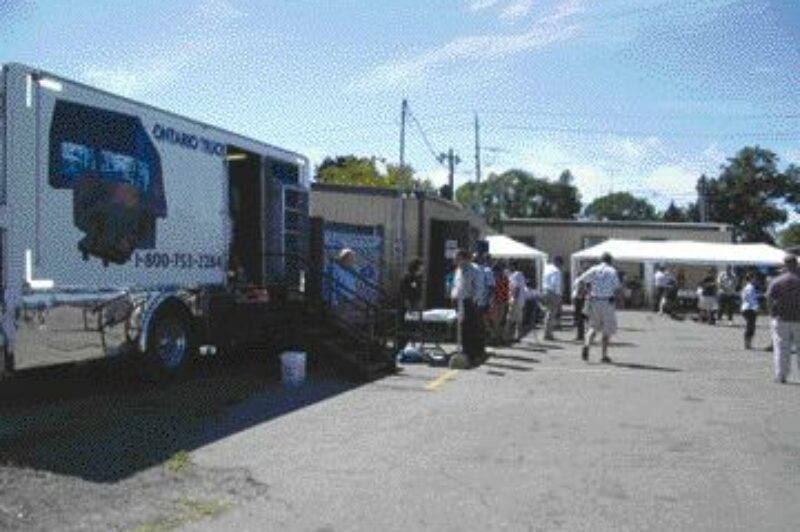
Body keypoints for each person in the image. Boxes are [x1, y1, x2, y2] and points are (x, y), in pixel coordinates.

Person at [575, 252, 621, 363]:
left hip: (594, 301)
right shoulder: (612, 271)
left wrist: (582, 293)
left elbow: (579, 280)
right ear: (610, 261)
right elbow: (617, 287)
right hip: (607, 302)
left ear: (601, 260)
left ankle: (586, 345)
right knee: (606, 330)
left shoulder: (594, 269)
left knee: (593, 327)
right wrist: (618, 299)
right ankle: (604, 355)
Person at [766, 254, 800, 384]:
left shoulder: (777, 281)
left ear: (785, 265)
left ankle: (781, 375)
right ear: (797, 264)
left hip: (781, 318)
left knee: (781, 348)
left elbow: (768, 297)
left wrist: (771, 314)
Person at [451, 249, 485, 366]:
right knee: (461, 327)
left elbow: (479, 287)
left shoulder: (474, 269)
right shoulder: (458, 270)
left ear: (464, 258)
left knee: (470, 328)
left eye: (457, 257)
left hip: (468, 302)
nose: (454, 260)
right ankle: (465, 351)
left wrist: (475, 301)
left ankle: (472, 354)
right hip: (458, 301)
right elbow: (457, 285)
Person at [398, 258, 424, 349]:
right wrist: (408, 305)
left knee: (411, 326)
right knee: (405, 326)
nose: (423, 268)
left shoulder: (417, 277)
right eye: (421, 266)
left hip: (413, 304)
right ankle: (401, 345)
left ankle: (410, 345)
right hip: (407, 305)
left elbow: (416, 290)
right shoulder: (408, 277)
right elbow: (406, 292)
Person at [487, 263, 510, 345]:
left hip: (498, 301)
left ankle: (496, 338)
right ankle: (497, 337)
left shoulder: (499, 279)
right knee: (496, 320)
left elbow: (505, 290)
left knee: (497, 320)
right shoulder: (503, 279)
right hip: (499, 301)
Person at [542, 256, 564, 341]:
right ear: (558, 263)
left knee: (548, 313)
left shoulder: (547, 268)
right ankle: (548, 334)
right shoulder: (556, 271)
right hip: (553, 292)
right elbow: (556, 284)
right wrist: (559, 296)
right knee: (551, 314)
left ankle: (547, 333)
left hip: (545, 291)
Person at [505, 261, 527, 344]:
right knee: (517, 319)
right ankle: (517, 336)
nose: (508, 268)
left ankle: (507, 336)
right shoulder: (514, 275)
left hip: (516, 300)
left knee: (510, 318)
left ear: (513, 266)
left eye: (509, 266)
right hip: (516, 299)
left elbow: (517, 288)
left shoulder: (517, 275)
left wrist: (514, 299)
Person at [740, 272, 759, 350]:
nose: (755, 279)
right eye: (754, 278)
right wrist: (756, 307)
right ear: (751, 278)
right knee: (750, 327)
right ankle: (747, 344)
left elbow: (743, 297)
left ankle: (747, 344)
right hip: (750, 309)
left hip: (745, 308)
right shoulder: (751, 287)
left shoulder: (745, 287)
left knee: (750, 326)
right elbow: (752, 299)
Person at [571, 274, 589, 341]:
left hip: (579, 300)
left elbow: (580, 291)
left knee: (579, 318)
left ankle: (580, 335)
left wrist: (580, 296)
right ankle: (580, 335)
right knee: (580, 318)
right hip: (579, 299)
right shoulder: (581, 280)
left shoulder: (579, 280)